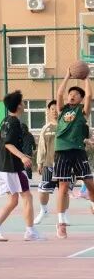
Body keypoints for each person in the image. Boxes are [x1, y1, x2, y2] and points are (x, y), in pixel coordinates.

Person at [0, 91, 42, 242]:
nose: (24, 104)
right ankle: (30, 231)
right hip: (13, 168)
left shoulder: (4, 121)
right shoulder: (15, 122)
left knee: (13, 200)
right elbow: (8, 143)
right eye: (23, 102)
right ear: (18, 105)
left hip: (4, 167)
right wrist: (22, 157)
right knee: (27, 196)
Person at [50, 74, 92, 239]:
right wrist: (67, 75)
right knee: (63, 187)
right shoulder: (62, 110)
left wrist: (86, 78)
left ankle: (92, 203)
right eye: (71, 94)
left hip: (78, 150)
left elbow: (89, 95)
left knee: (89, 182)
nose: (72, 95)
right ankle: (61, 223)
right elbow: (59, 94)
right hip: (62, 150)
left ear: (81, 99)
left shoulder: (82, 112)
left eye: (76, 94)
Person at [34, 101, 58, 226]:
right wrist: (39, 162)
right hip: (49, 165)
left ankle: (62, 217)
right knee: (43, 191)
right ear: (48, 111)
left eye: (57, 108)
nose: (54, 111)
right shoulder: (46, 128)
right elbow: (42, 147)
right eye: (52, 109)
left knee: (64, 192)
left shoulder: (66, 126)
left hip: (65, 165)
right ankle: (44, 211)